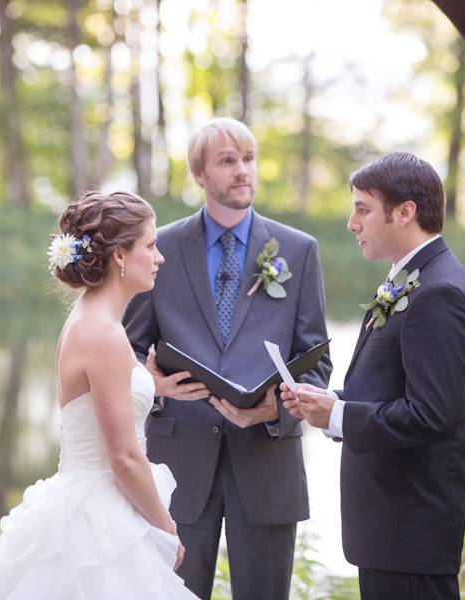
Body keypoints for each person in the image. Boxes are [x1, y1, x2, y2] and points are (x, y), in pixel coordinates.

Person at [123, 118, 331, 600]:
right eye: (227, 161)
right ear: (200, 175)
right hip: (178, 466)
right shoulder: (160, 249)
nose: (243, 172)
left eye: (248, 160)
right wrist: (149, 379)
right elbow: (129, 346)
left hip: (267, 458)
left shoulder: (299, 251)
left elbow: (315, 361)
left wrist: (274, 408)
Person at [0, 191, 198, 599]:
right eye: (150, 245)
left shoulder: (94, 319)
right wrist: (166, 528)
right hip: (97, 519)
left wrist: (150, 384)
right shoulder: (103, 333)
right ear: (120, 256)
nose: (159, 257)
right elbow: (124, 458)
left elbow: (95, 399)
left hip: (92, 504)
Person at [282, 152, 465, 600]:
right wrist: (327, 401)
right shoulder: (414, 279)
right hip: (390, 533)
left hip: (410, 529)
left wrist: (339, 416)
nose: (352, 223)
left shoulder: (439, 293)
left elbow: (432, 415)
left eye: (363, 208)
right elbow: (389, 390)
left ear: (405, 211)